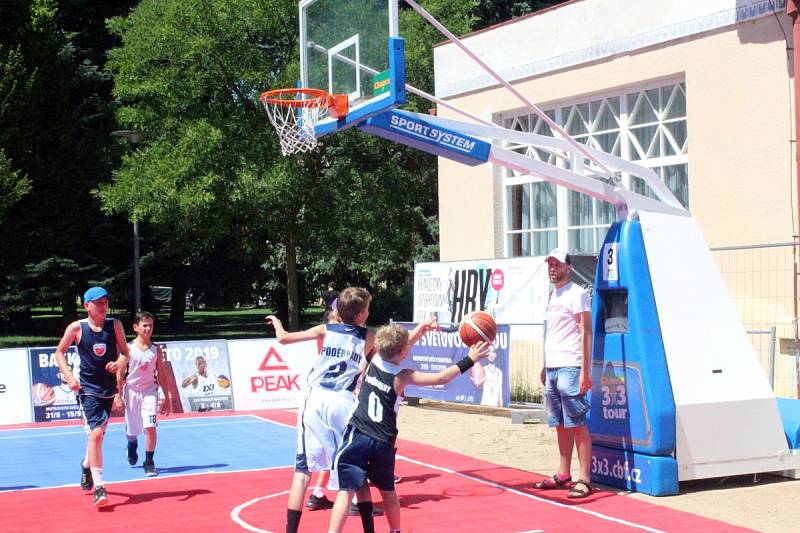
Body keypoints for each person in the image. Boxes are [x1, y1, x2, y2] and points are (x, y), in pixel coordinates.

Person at [327, 322, 491, 533]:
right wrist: (470, 359)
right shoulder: (402, 376)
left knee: (346, 491)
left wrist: (419, 331)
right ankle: (396, 531)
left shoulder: (375, 359)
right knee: (388, 491)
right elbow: (441, 378)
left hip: (358, 433)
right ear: (404, 352)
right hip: (383, 440)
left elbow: (399, 347)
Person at [267, 286, 380, 533]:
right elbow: (392, 355)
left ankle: (290, 530)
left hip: (315, 399)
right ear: (361, 315)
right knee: (356, 468)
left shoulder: (326, 329)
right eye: (368, 309)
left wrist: (277, 323)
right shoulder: (369, 337)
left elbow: (284, 338)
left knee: (302, 471)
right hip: (343, 402)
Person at [54, 286, 130, 507]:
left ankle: (86, 465)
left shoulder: (114, 325)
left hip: (108, 389)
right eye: (99, 303)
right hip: (87, 390)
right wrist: (68, 376)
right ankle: (99, 488)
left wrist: (119, 364)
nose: (104, 307)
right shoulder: (77, 328)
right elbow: (59, 351)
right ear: (87, 305)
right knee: (95, 434)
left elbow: (126, 352)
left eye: (106, 303)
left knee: (98, 437)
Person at [534, 250, 594, 498]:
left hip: (571, 366)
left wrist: (585, 371)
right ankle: (563, 474)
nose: (552, 268)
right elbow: (553, 333)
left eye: (556, 264)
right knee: (559, 424)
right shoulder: (552, 295)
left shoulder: (578, 294)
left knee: (577, 423)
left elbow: (586, 332)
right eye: (550, 264)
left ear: (568, 267)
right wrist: (545, 364)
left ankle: (585, 479)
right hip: (553, 367)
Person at [118, 310, 171, 477]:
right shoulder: (128, 348)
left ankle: (149, 461)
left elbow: (161, 374)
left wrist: (167, 397)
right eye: (145, 325)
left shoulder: (156, 350)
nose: (148, 328)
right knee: (132, 429)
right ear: (136, 327)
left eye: (151, 325)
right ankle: (131, 445)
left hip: (150, 391)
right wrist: (118, 395)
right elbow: (119, 373)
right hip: (131, 390)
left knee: (151, 427)